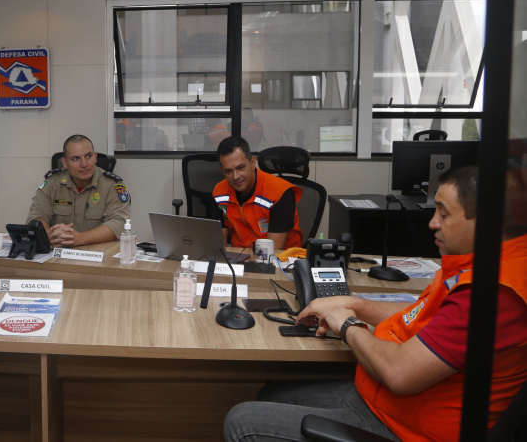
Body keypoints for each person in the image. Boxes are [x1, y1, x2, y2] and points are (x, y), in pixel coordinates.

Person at [223, 165, 527, 442]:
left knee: (243, 420)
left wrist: (348, 324)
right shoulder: (482, 265)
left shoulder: (492, 294)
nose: (432, 223)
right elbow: (420, 314)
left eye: (444, 214)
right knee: (270, 393)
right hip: (386, 402)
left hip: (405, 429)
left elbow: (399, 373)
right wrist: (354, 303)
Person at [26, 134, 131, 247]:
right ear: (65, 162)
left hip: (98, 252)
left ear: (95, 157)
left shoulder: (112, 185)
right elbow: (36, 217)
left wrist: (80, 238)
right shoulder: (51, 184)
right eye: (76, 159)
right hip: (59, 252)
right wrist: (50, 235)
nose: (84, 164)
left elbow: (120, 223)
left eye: (88, 156)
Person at [212, 136, 303, 250]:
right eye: (228, 171)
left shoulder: (279, 193)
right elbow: (217, 245)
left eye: (240, 168)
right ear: (222, 170)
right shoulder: (220, 192)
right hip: (238, 255)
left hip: (281, 258)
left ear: (253, 162)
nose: (235, 177)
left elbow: (273, 250)